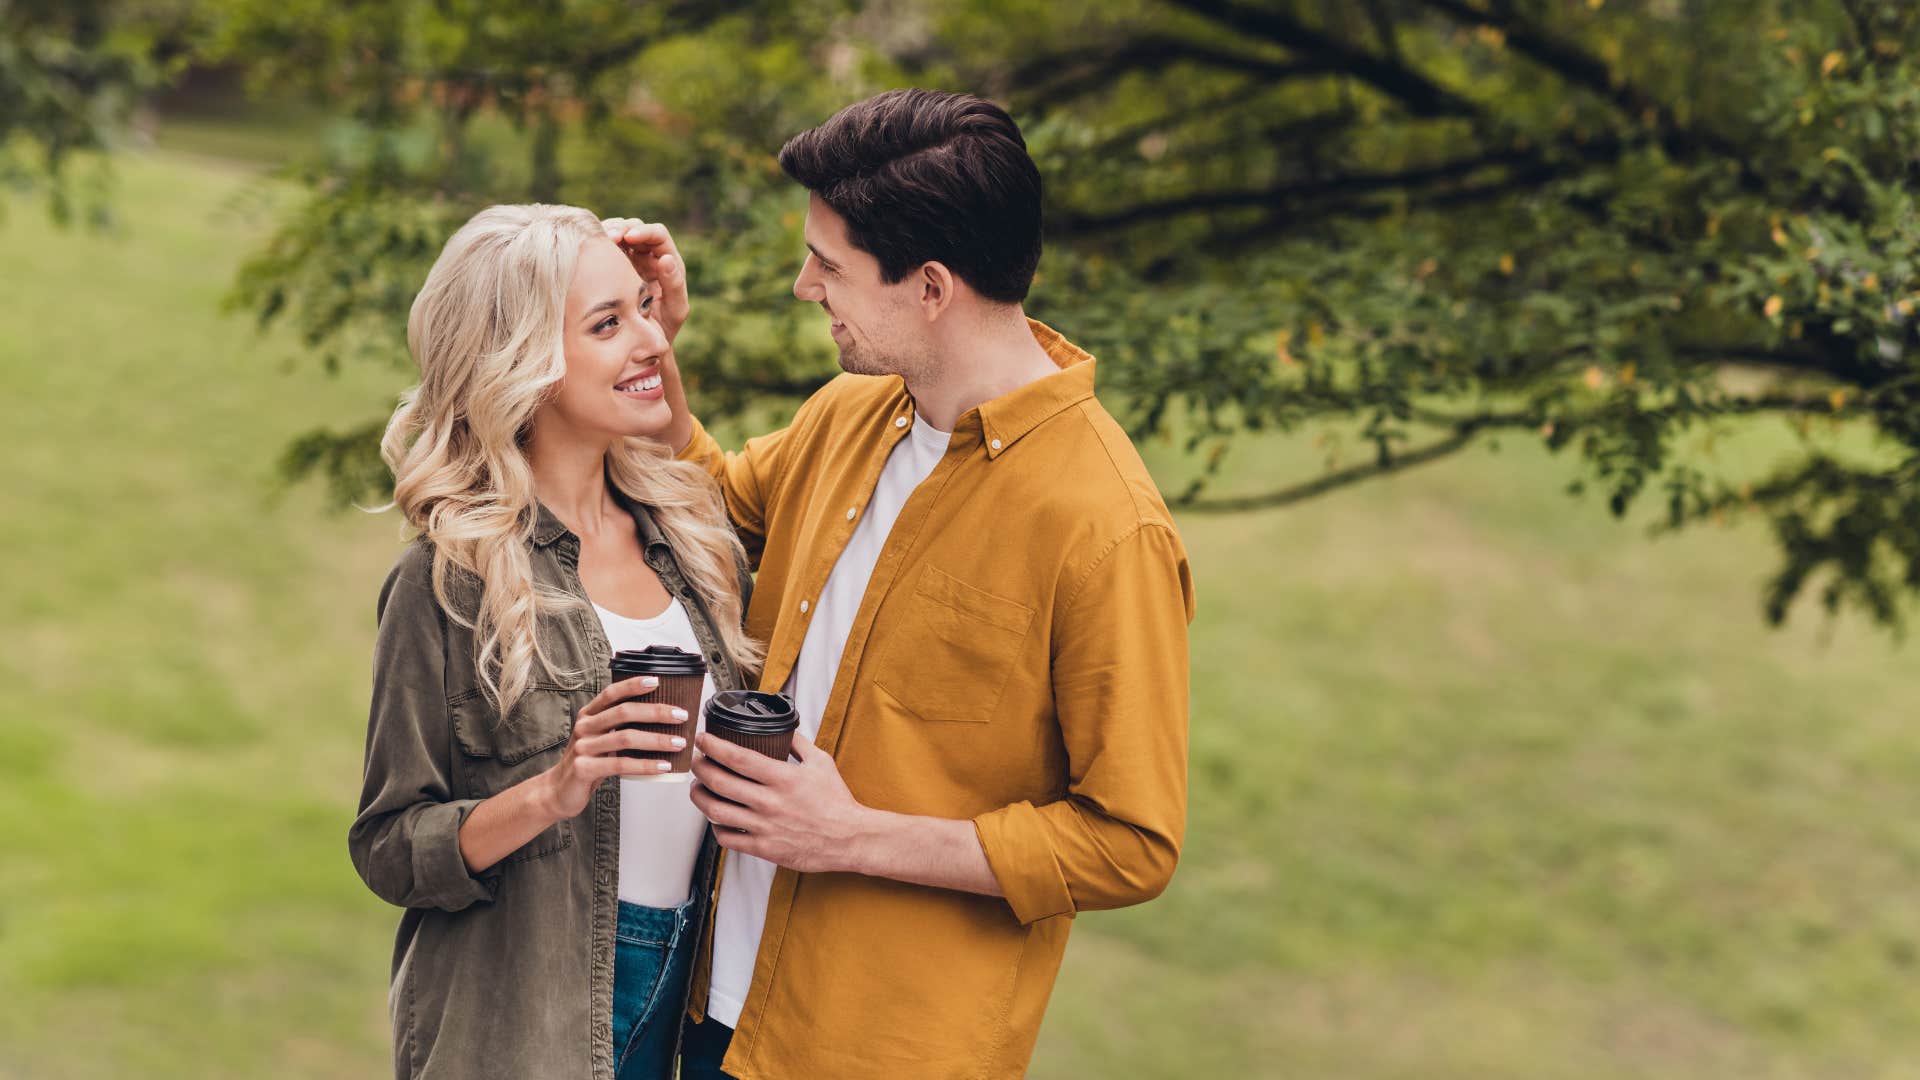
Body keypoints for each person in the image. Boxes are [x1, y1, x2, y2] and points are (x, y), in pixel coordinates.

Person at [613, 87, 1196, 1079]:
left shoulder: (1104, 525)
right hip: (717, 1009)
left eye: (828, 265)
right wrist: (652, 348)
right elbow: (703, 513)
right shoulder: (851, 412)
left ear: (932, 287)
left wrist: (854, 836)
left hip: (876, 1051)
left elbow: (1131, 840)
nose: (805, 286)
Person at [348, 203, 762, 1079]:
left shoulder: (691, 537)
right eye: (608, 324)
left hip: (687, 993)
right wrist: (554, 789)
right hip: (526, 1014)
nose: (650, 339)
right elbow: (390, 846)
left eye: (645, 311)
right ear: (524, 361)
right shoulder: (448, 581)